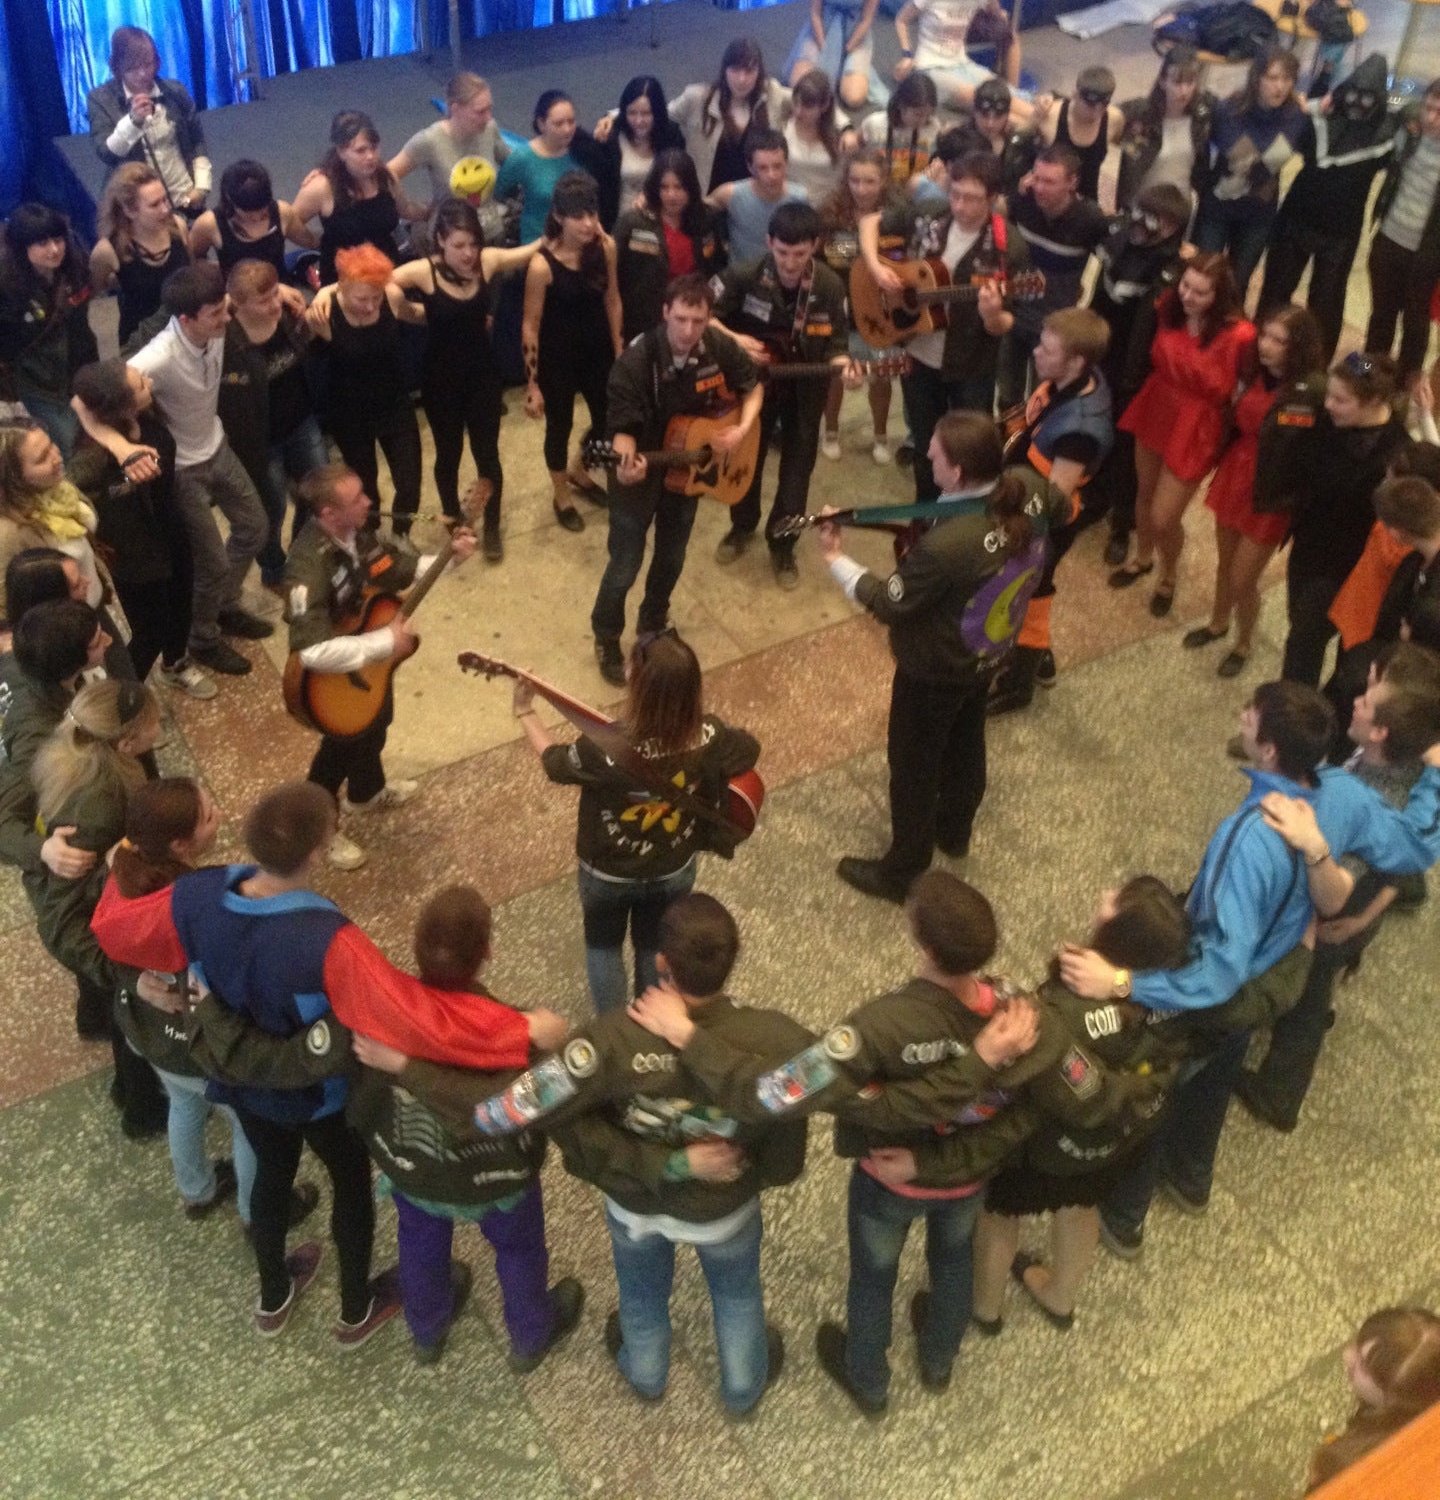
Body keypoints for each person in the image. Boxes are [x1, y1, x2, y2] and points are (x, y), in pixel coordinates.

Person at [1059, 680, 1440, 1260]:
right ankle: (1191, 1179)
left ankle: (1123, 1217)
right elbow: (1414, 846)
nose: (1240, 717)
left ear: (1269, 749)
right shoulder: (1343, 791)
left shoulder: (1245, 840)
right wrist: (1435, 773)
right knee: (1219, 1069)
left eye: (1250, 716)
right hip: (1280, 967)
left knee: (1159, 1084)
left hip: (1233, 987)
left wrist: (1122, 981)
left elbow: (1218, 971)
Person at [465, 893, 803, 1416]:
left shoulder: (611, 1039)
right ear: (733, 958)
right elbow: (817, 1099)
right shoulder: (776, 1038)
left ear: (661, 961)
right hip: (724, 1209)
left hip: (637, 1207)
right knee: (737, 1297)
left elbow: (509, 1110)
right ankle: (742, 1388)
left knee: (641, 1299)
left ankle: (646, 1374)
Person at [819, 411, 1061, 901]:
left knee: (913, 765)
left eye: (935, 457)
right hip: (988, 652)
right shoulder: (1028, 485)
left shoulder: (947, 545)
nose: (928, 460)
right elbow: (1060, 507)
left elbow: (890, 602)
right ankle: (955, 829)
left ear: (957, 472)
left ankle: (904, 870)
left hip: (935, 669)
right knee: (967, 737)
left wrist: (834, 559)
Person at [341, 885, 584, 1370]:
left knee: (419, 1243)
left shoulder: (385, 1022)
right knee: (519, 1249)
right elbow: (542, 1097)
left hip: (417, 1172)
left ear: (415, 949)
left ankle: (427, 1330)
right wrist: (557, 1048)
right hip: (500, 1178)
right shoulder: (516, 1032)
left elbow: (361, 1103)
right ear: (487, 952)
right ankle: (530, 1334)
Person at [972, 877, 1190, 1334]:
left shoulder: (1066, 1008)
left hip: (1043, 1147)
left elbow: (1026, 1074)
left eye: (1116, 902)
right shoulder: (1174, 996)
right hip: (1115, 1140)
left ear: (1121, 936)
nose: (1105, 895)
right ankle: (1060, 1295)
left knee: (1000, 1214)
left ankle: (986, 1311)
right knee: (1080, 1204)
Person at [1237, 646, 1440, 1133]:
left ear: (1380, 732)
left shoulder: (1371, 798)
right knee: (1318, 980)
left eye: (1367, 699)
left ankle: (1280, 1094)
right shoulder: (1407, 768)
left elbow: (1338, 882)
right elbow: (1401, 862)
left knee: (1309, 989)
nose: (1357, 701)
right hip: (1360, 911)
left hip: (1335, 916)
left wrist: (1350, 919)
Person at [516, 629, 759, 1012]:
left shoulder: (603, 747)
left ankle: (615, 1027)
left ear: (636, 684)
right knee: (654, 944)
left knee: (603, 946)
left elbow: (555, 763)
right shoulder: (710, 733)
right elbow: (748, 750)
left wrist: (525, 711)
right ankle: (649, 1017)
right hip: (673, 866)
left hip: (608, 871)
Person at [283, 463, 477, 871]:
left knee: (378, 721)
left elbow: (394, 569)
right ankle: (319, 831)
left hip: (367, 663)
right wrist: (386, 643)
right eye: (357, 499)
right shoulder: (307, 566)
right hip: (330, 680)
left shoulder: (356, 532)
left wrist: (449, 558)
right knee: (337, 752)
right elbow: (311, 651)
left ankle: (365, 793)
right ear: (328, 513)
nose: (369, 501)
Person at [110, 777, 274, 1219]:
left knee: (183, 1105)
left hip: (152, 1035)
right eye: (208, 815)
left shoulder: (123, 874)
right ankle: (253, 1214)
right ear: (181, 845)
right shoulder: (204, 899)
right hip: (203, 1045)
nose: (218, 814)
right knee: (247, 1126)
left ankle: (197, 1191)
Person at [590, 274, 761, 681]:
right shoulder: (635, 363)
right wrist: (625, 467)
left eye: (698, 321)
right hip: (642, 465)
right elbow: (623, 431)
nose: (688, 331)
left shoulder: (716, 345)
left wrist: (740, 430)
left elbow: (753, 386)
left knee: (672, 555)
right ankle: (606, 635)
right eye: (681, 319)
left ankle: (652, 621)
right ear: (665, 312)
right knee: (625, 562)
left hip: (687, 473)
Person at [112, 262, 270, 677]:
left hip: (218, 447)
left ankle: (223, 604)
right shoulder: (158, 356)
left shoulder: (217, 321)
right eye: (215, 314)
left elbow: (249, 304)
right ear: (186, 320)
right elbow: (93, 399)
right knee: (212, 563)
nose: (226, 318)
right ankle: (202, 637)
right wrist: (122, 443)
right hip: (183, 470)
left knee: (255, 528)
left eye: (224, 308)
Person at [859, 152, 1026, 502]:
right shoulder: (929, 214)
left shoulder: (1007, 247)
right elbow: (871, 222)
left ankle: (963, 516)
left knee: (969, 449)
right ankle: (925, 512)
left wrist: (992, 315)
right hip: (917, 354)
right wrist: (876, 268)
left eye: (972, 198)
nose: (960, 206)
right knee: (926, 445)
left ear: (993, 198)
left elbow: (1006, 323)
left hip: (971, 364)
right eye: (955, 194)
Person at [391, 199, 547, 561]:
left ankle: (491, 525)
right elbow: (377, 281)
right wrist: (415, 312)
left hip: (482, 377)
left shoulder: (486, 262)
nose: (468, 253)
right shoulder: (424, 271)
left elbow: (529, 251)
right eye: (459, 245)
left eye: (473, 243)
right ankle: (454, 519)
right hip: (440, 382)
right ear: (440, 241)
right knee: (448, 455)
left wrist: (559, 229)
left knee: (487, 454)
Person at [712, 200, 856, 587]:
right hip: (754, 388)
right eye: (782, 252)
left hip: (806, 391)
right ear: (769, 242)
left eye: (800, 254)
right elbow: (702, 314)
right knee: (747, 460)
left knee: (797, 471)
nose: (790, 263)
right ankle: (742, 527)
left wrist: (846, 367)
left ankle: (783, 545)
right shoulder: (745, 274)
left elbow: (838, 344)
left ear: (815, 246)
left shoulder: (829, 286)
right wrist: (735, 340)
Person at [1109, 252, 1254, 618]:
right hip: (1158, 404)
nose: (1187, 296)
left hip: (1198, 424)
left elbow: (1247, 386)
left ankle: (1169, 574)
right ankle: (1143, 557)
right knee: (1144, 493)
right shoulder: (1168, 308)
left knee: (1165, 516)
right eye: (1185, 286)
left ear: (1219, 297)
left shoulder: (1240, 336)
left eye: (1200, 292)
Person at [1185, 305, 1327, 677]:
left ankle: (1244, 642)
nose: (1266, 345)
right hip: (1237, 472)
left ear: (1298, 346)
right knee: (1225, 563)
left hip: (1272, 490)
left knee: (1243, 578)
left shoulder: (1313, 389)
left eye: (1280, 341)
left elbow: (1320, 445)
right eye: (1265, 335)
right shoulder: (1252, 371)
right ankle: (1218, 622)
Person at [986, 306, 1113, 715]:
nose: (1037, 353)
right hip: (1025, 499)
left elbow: (1053, 501)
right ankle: (1033, 659)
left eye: (1047, 349)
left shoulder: (1081, 430)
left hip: (1043, 525)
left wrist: (1014, 528)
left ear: (1076, 361)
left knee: (1031, 594)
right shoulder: (1072, 378)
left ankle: (1019, 683)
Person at [27, 677, 161, 1062]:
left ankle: (92, 1018)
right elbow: (61, 921)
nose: (160, 728)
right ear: (126, 744)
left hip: (80, 894)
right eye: (154, 724)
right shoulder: (99, 805)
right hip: (87, 921)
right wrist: (126, 975)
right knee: (112, 1000)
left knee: (93, 990)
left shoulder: (78, 750)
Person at [67, 360, 208, 698]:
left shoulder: (142, 417)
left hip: (169, 530)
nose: (149, 381)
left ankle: (175, 664)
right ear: (119, 406)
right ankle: (122, 701)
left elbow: (79, 400)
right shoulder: (91, 459)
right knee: (150, 632)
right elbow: (74, 497)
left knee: (181, 604)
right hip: (134, 556)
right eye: (141, 384)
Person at [1258, 54, 1397, 363]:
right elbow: (1284, 143)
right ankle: (1260, 354)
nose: (1358, 104)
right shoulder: (1319, 121)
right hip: (1297, 219)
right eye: (1353, 94)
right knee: (1276, 292)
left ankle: (1314, 367)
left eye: (1367, 98)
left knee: (1326, 307)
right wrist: (1313, 103)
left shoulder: (1385, 136)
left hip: (1340, 234)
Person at [1282, 352, 1409, 685]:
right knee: (1301, 628)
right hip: (1309, 549)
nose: (1328, 405)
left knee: (1308, 644)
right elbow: (1289, 425)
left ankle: (1294, 708)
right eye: (1329, 395)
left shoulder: (1398, 455)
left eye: (1340, 400)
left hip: (1350, 568)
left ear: (1375, 401)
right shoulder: (1328, 419)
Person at [1083, 183, 1190, 567]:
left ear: (1173, 226)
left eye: (1156, 218)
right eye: (1141, 212)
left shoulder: (1175, 271)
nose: (1143, 223)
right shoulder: (1119, 243)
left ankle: (1122, 523)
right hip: (1105, 355)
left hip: (1141, 372)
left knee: (1128, 452)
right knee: (1098, 431)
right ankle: (1094, 498)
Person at [522, 173, 622, 535]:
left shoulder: (605, 249)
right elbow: (530, 325)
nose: (588, 224)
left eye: (592, 214)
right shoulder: (541, 265)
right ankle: (561, 495)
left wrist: (619, 350)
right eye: (578, 216)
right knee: (559, 427)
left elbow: (613, 300)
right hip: (558, 359)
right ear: (559, 217)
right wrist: (532, 384)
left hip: (597, 353)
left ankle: (580, 470)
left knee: (607, 421)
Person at [305, 246, 425, 540]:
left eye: (376, 297)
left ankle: (400, 536)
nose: (371, 306)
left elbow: (416, 314)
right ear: (342, 287)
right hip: (350, 414)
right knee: (364, 488)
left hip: (394, 405)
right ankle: (368, 541)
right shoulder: (325, 312)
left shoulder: (391, 297)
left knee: (409, 483)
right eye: (362, 299)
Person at [220, 260, 327, 588]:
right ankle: (273, 567)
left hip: (302, 422)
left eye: (274, 294)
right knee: (272, 508)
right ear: (237, 304)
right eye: (263, 301)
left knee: (317, 492)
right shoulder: (224, 341)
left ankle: (302, 554)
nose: (274, 305)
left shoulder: (289, 317)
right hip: (260, 441)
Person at [999, 144, 1109, 409]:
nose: (1039, 187)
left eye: (1049, 181)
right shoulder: (1023, 202)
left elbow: (1109, 263)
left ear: (1072, 182)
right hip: (1014, 316)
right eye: (1036, 178)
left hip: (1054, 328)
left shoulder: (1090, 220)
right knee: (1007, 397)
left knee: (1042, 401)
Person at [1193, 47, 1306, 300]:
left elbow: (1261, 165)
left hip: (1258, 214)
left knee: (1237, 286)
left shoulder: (1296, 115)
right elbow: (1249, 163)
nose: (1280, 87)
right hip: (1218, 207)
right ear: (1257, 78)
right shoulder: (1228, 110)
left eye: (1287, 79)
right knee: (1204, 277)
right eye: (1273, 78)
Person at [820, 147, 904, 463]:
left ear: (884, 180)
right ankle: (830, 430)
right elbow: (816, 261)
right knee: (836, 373)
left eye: (870, 181)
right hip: (839, 308)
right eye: (854, 180)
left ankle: (880, 435)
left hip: (881, 310)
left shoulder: (897, 215)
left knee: (880, 374)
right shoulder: (829, 214)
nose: (861, 189)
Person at [1305, 1307, 1440, 1491]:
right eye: (1357, 1343)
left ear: (1395, 1400)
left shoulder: (1342, 1468)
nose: (1347, 1356)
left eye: (1363, 1366)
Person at [0, 205, 98, 457]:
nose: (54, 249)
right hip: (38, 381)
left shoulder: (75, 264)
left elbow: (82, 316)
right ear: (22, 247)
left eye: (58, 239)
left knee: (95, 431)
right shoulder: (7, 286)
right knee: (67, 444)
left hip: (80, 366)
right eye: (42, 243)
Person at [86, 27, 211, 219]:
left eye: (148, 64)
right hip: (139, 211)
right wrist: (133, 122)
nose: (143, 74)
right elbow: (107, 153)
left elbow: (197, 141)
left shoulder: (175, 91)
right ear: (117, 68)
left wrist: (201, 187)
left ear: (157, 62)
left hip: (184, 197)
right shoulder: (101, 99)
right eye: (132, 68)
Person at [640, 38, 794, 193]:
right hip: (707, 198)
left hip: (757, 198)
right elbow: (656, 115)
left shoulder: (773, 95)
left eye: (749, 71)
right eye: (735, 70)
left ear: (759, 73)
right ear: (724, 70)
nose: (742, 79)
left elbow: (806, 99)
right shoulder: (697, 99)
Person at [292, 110, 426, 286]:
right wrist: (314, 241)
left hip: (386, 269)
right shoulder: (321, 187)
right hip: (344, 280)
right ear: (341, 152)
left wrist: (435, 209)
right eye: (361, 151)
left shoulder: (387, 178)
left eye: (374, 148)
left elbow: (406, 209)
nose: (370, 156)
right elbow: (288, 222)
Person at [1366, 79, 1440, 384]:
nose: (1431, 118)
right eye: (1429, 108)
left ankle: (1400, 391)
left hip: (1427, 254)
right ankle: (1366, 377)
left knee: (1415, 326)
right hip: (1390, 238)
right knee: (1381, 315)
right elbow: (1396, 111)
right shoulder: (1411, 131)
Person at [614, 151, 728, 345]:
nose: (671, 195)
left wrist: (711, 308)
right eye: (664, 187)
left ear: (690, 188)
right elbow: (614, 275)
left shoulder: (707, 219)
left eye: (679, 187)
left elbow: (718, 269)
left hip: (692, 322)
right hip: (643, 325)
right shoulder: (634, 222)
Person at [89, 164, 192, 347]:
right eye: (154, 205)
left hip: (185, 330)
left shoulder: (178, 227)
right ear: (129, 211)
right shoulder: (108, 250)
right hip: (143, 340)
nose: (165, 209)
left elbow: (192, 275)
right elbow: (99, 299)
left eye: (165, 200)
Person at [387, 73, 513, 211]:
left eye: (490, 109)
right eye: (480, 112)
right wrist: (409, 210)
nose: (488, 118)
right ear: (455, 109)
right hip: (452, 223)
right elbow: (386, 175)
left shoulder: (489, 128)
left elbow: (514, 163)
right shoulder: (430, 140)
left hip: (491, 222)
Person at [1114, 45, 1213, 213]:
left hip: (1179, 209)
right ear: (1162, 81)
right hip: (1141, 208)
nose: (1184, 91)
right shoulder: (1141, 113)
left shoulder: (1201, 115)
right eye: (1177, 82)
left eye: (1190, 83)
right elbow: (1107, 115)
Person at [188, 160, 317, 281]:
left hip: (279, 287)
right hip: (238, 293)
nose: (256, 218)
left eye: (263, 212)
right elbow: (193, 259)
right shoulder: (209, 224)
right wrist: (223, 274)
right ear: (230, 200)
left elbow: (311, 241)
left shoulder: (282, 212)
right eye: (248, 214)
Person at [894, 0, 1022, 114]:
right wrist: (907, 55)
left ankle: (1031, 122)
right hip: (930, 66)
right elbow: (901, 20)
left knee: (1005, 92)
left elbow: (997, 11)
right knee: (984, 100)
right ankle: (1030, 124)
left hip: (962, 64)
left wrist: (1000, 14)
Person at [593, 76, 687, 230]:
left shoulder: (672, 136)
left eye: (646, 113)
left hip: (662, 226)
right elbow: (598, 188)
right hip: (617, 226)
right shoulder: (610, 136)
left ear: (657, 113)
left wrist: (651, 192)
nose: (638, 120)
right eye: (632, 113)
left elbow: (680, 178)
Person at [495, 90, 586, 245]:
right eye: (559, 123)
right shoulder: (523, 157)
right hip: (537, 242)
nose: (567, 129)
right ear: (541, 124)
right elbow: (499, 192)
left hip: (577, 239)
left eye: (571, 122)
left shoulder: (583, 149)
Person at [707, 128, 807, 269]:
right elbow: (697, 212)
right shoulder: (730, 194)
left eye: (777, 166)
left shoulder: (800, 198)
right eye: (763, 168)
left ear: (786, 164)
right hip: (740, 277)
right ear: (750, 167)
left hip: (784, 273)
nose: (772, 175)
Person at [1034, 66, 1125, 205]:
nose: (1097, 112)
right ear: (1075, 95)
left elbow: (1114, 155)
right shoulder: (1050, 115)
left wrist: (1108, 202)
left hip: (1087, 196)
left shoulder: (1115, 119)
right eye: (1090, 105)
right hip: (1050, 194)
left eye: (1103, 105)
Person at [785, 0, 883, 110]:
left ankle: (843, 74)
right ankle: (840, 75)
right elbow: (815, 14)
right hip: (822, 29)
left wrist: (846, 51)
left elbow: (866, 20)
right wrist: (825, 48)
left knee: (854, 98)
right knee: (799, 85)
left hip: (855, 35)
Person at [953, 78, 1038, 198]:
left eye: (998, 116)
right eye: (984, 115)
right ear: (975, 112)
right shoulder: (958, 141)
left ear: (1007, 115)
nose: (990, 123)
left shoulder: (1019, 145)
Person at [859, 73, 941, 192]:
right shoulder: (875, 124)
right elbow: (859, 151)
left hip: (915, 189)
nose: (923, 121)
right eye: (918, 114)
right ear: (901, 106)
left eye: (928, 115)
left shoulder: (933, 126)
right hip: (880, 188)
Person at [783, 69, 845, 208]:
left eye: (807, 106)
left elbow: (844, 179)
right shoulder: (783, 127)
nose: (798, 111)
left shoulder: (839, 136)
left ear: (824, 105)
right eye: (796, 103)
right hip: (789, 206)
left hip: (826, 207)